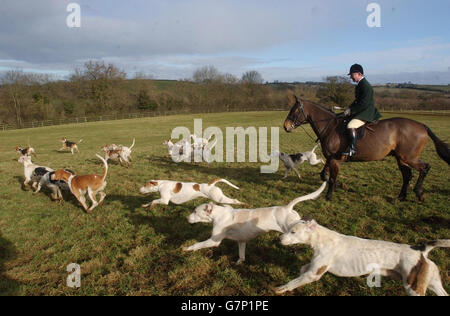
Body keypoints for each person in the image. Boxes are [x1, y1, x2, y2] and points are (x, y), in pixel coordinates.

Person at [342, 64, 381, 157]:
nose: (351, 77)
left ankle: (352, 150)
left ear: (359, 74)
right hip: (362, 110)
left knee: (351, 125)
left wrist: (352, 111)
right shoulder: (360, 84)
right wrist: (349, 108)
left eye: (352, 75)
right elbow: (357, 101)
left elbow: (364, 103)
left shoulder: (365, 86)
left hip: (366, 112)